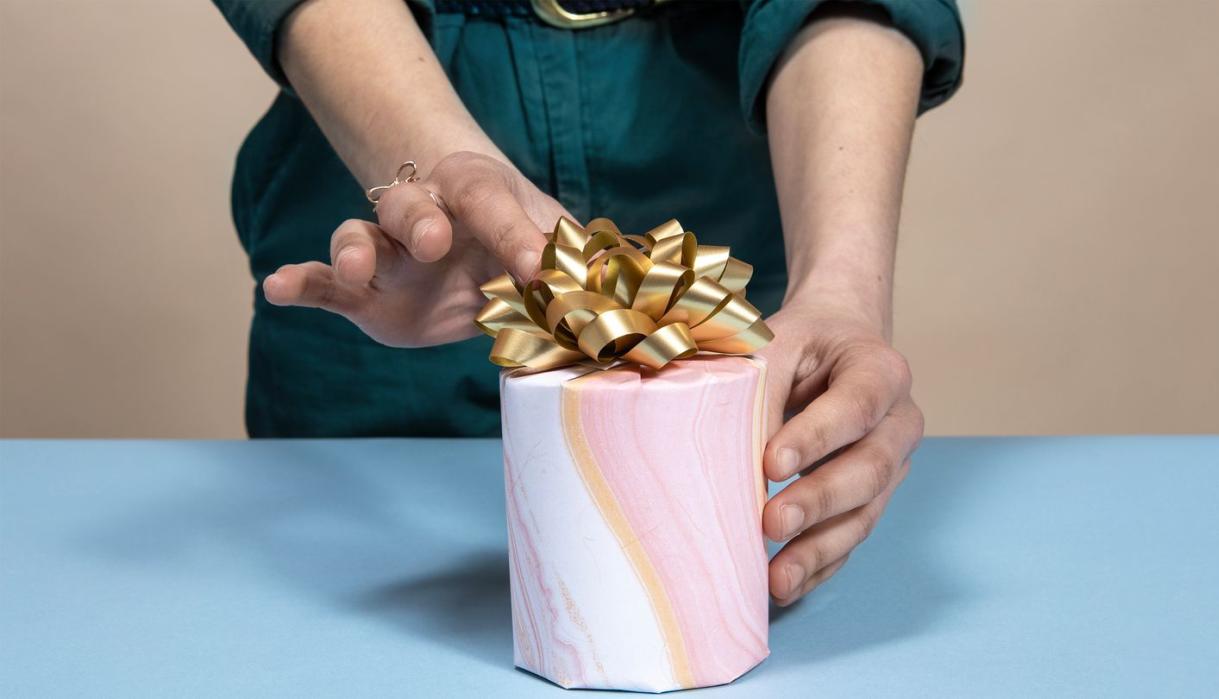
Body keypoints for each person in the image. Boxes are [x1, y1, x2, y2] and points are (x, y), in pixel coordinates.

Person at [212, 0, 964, 606]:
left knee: (709, 531)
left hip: (723, 146)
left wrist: (841, 285)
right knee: (347, 603)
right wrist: (436, 167)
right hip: (386, 148)